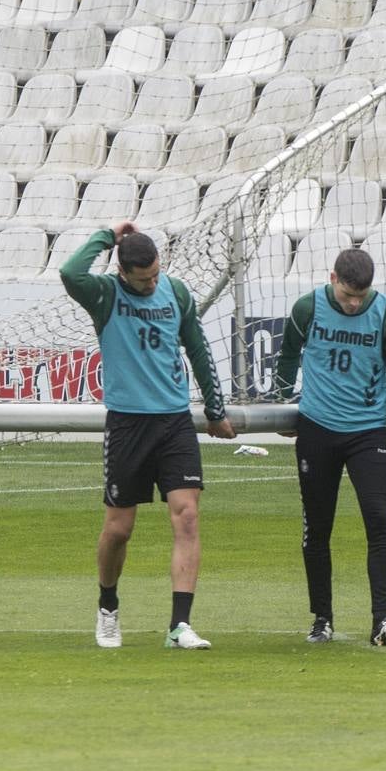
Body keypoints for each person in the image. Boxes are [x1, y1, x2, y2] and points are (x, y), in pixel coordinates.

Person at [60, 223, 235, 650]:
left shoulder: (175, 292)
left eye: (156, 274)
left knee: (188, 516)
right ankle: (108, 606)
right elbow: (70, 272)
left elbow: (197, 347)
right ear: (122, 272)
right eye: (144, 279)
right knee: (119, 529)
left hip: (174, 422)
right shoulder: (103, 294)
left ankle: (180, 626)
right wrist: (107, 235)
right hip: (127, 424)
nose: (152, 283)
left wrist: (214, 410)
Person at [274, 248, 386, 647]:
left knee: (379, 521)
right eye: (347, 295)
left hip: (368, 433)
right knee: (317, 526)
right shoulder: (307, 308)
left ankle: (383, 619)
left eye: (361, 295)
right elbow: (287, 355)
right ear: (333, 278)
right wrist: (283, 402)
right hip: (317, 430)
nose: (355, 302)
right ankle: (321, 617)